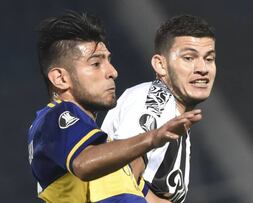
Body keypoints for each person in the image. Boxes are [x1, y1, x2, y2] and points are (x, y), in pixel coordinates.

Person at [27, 11, 202, 203]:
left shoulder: (108, 154)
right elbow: (84, 164)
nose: (112, 72)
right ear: (60, 78)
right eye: (96, 63)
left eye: (108, 61)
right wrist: (154, 136)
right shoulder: (53, 118)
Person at [101, 14, 216, 203]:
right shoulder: (154, 102)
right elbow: (120, 177)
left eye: (209, 59)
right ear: (160, 65)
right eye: (189, 58)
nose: (202, 68)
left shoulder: (173, 112)